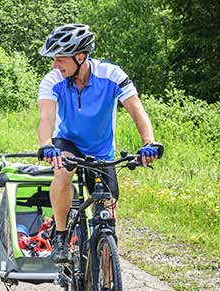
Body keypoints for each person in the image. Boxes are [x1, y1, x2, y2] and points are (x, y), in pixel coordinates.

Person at [36, 24, 162, 264]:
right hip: (68, 143)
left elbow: (136, 109)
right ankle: (61, 236)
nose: (55, 65)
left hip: (102, 151)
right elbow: (46, 117)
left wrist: (149, 142)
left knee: (108, 215)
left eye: (60, 59)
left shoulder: (112, 75)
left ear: (80, 57)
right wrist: (46, 144)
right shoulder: (53, 80)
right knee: (62, 171)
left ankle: (106, 285)